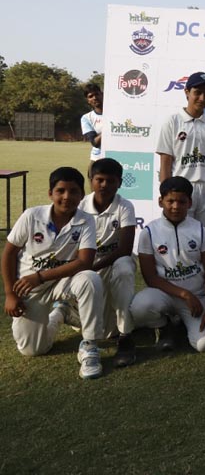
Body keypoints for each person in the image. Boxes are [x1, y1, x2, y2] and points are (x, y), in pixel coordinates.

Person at [1, 167, 104, 379]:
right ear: (50, 194)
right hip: (29, 288)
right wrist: (11, 294)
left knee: (90, 278)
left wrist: (40, 276)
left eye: (74, 191)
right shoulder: (32, 216)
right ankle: (59, 314)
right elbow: (9, 254)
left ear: (81, 195)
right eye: (61, 191)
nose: (67, 197)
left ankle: (90, 344)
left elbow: (85, 261)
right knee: (32, 349)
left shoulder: (86, 220)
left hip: (60, 282)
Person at [130, 177, 205, 353]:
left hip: (197, 298)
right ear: (160, 201)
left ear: (190, 203)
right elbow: (150, 277)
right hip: (165, 295)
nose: (176, 206)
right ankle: (164, 326)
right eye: (170, 201)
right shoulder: (149, 232)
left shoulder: (200, 230)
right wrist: (184, 294)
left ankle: (181, 324)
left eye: (181, 201)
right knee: (140, 308)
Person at [75, 158, 137, 366]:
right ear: (91, 180)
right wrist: (86, 269)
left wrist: (91, 266)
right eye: (99, 179)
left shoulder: (125, 206)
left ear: (119, 183)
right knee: (103, 331)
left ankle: (126, 337)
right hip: (88, 271)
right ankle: (65, 311)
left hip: (110, 265)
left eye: (110, 181)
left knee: (124, 266)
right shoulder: (81, 207)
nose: (104, 185)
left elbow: (125, 249)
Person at [156, 71, 205, 240]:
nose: (202, 98)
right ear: (187, 92)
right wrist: (166, 194)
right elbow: (165, 163)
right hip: (182, 189)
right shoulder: (172, 122)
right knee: (180, 236)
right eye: (198, 93)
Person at [81, 83, 104, 176]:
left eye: (97, 94)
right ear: (88, 100)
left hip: (117, 157)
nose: (94, 98)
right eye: (90, 96)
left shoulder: (116, 113)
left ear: (102, 94)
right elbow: (95, 143)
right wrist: (110, 128)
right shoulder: (86, 118)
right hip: (97, 160)